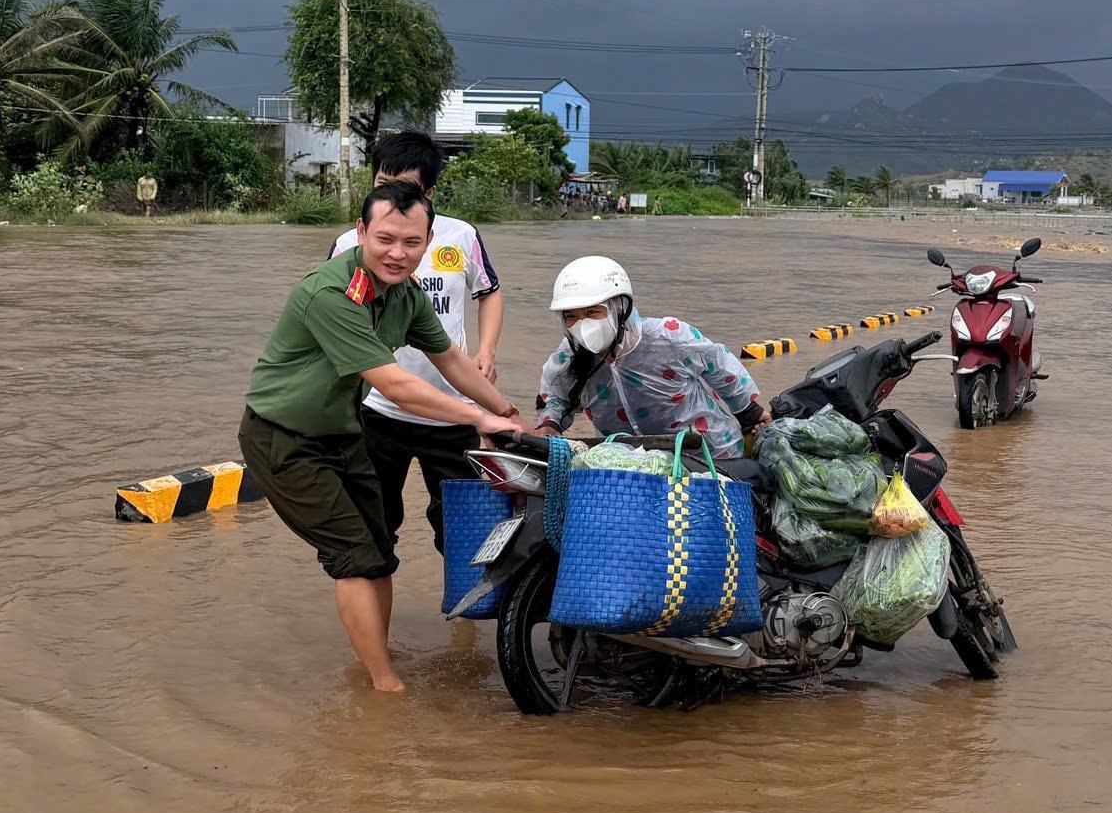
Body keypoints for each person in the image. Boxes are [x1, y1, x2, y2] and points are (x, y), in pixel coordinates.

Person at [241, 182, 521, 693]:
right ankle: (384, 685)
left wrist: (506, 411)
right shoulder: (331, 294)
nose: (398, 254)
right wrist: (477, 419)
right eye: (385, 239)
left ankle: (374, 657)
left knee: (378, 551)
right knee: (354, 555)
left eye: (412, 243)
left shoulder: (405, 295)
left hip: (341, 433)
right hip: (283, 439)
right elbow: (394, 383)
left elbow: (452, 359)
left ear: (429, 240)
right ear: (361, 233)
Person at [329, 131, 503, 555]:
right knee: (372, 529)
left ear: (429, 193)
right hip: (377, 410)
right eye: (382, 186)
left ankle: (465, 620)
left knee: (462, 532)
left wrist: (486, 353)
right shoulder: (349, 246)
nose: (392, 200)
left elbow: (489, 291)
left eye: (404, 188)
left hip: (452, 412)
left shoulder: (460, 237)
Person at [534, 254, 767, 460]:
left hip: (705, 454)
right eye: (572, 316)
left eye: (592, 312)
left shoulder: (669, 337)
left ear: (619, 308)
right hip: (629, 461)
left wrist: (749, 413)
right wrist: (550, 423)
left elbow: (720, 366)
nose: (582, 325)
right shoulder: (569, 356)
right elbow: (558, 396)